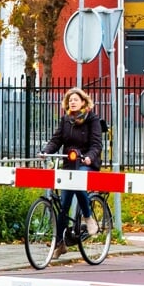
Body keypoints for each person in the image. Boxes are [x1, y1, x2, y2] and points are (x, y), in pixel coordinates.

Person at [41, 87, 104, 242]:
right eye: (70, 100)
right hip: (70, 164)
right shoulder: (66, 120)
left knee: (78, 182)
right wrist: (45, 151)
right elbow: (56, 140)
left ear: (83, 102)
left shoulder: (92, 119)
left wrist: (89, 157)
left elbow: (96, 144)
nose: (72, 102)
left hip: (86, 164)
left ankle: (88, 217)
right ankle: (60, 243)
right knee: (64, 204)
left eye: (75, 99)